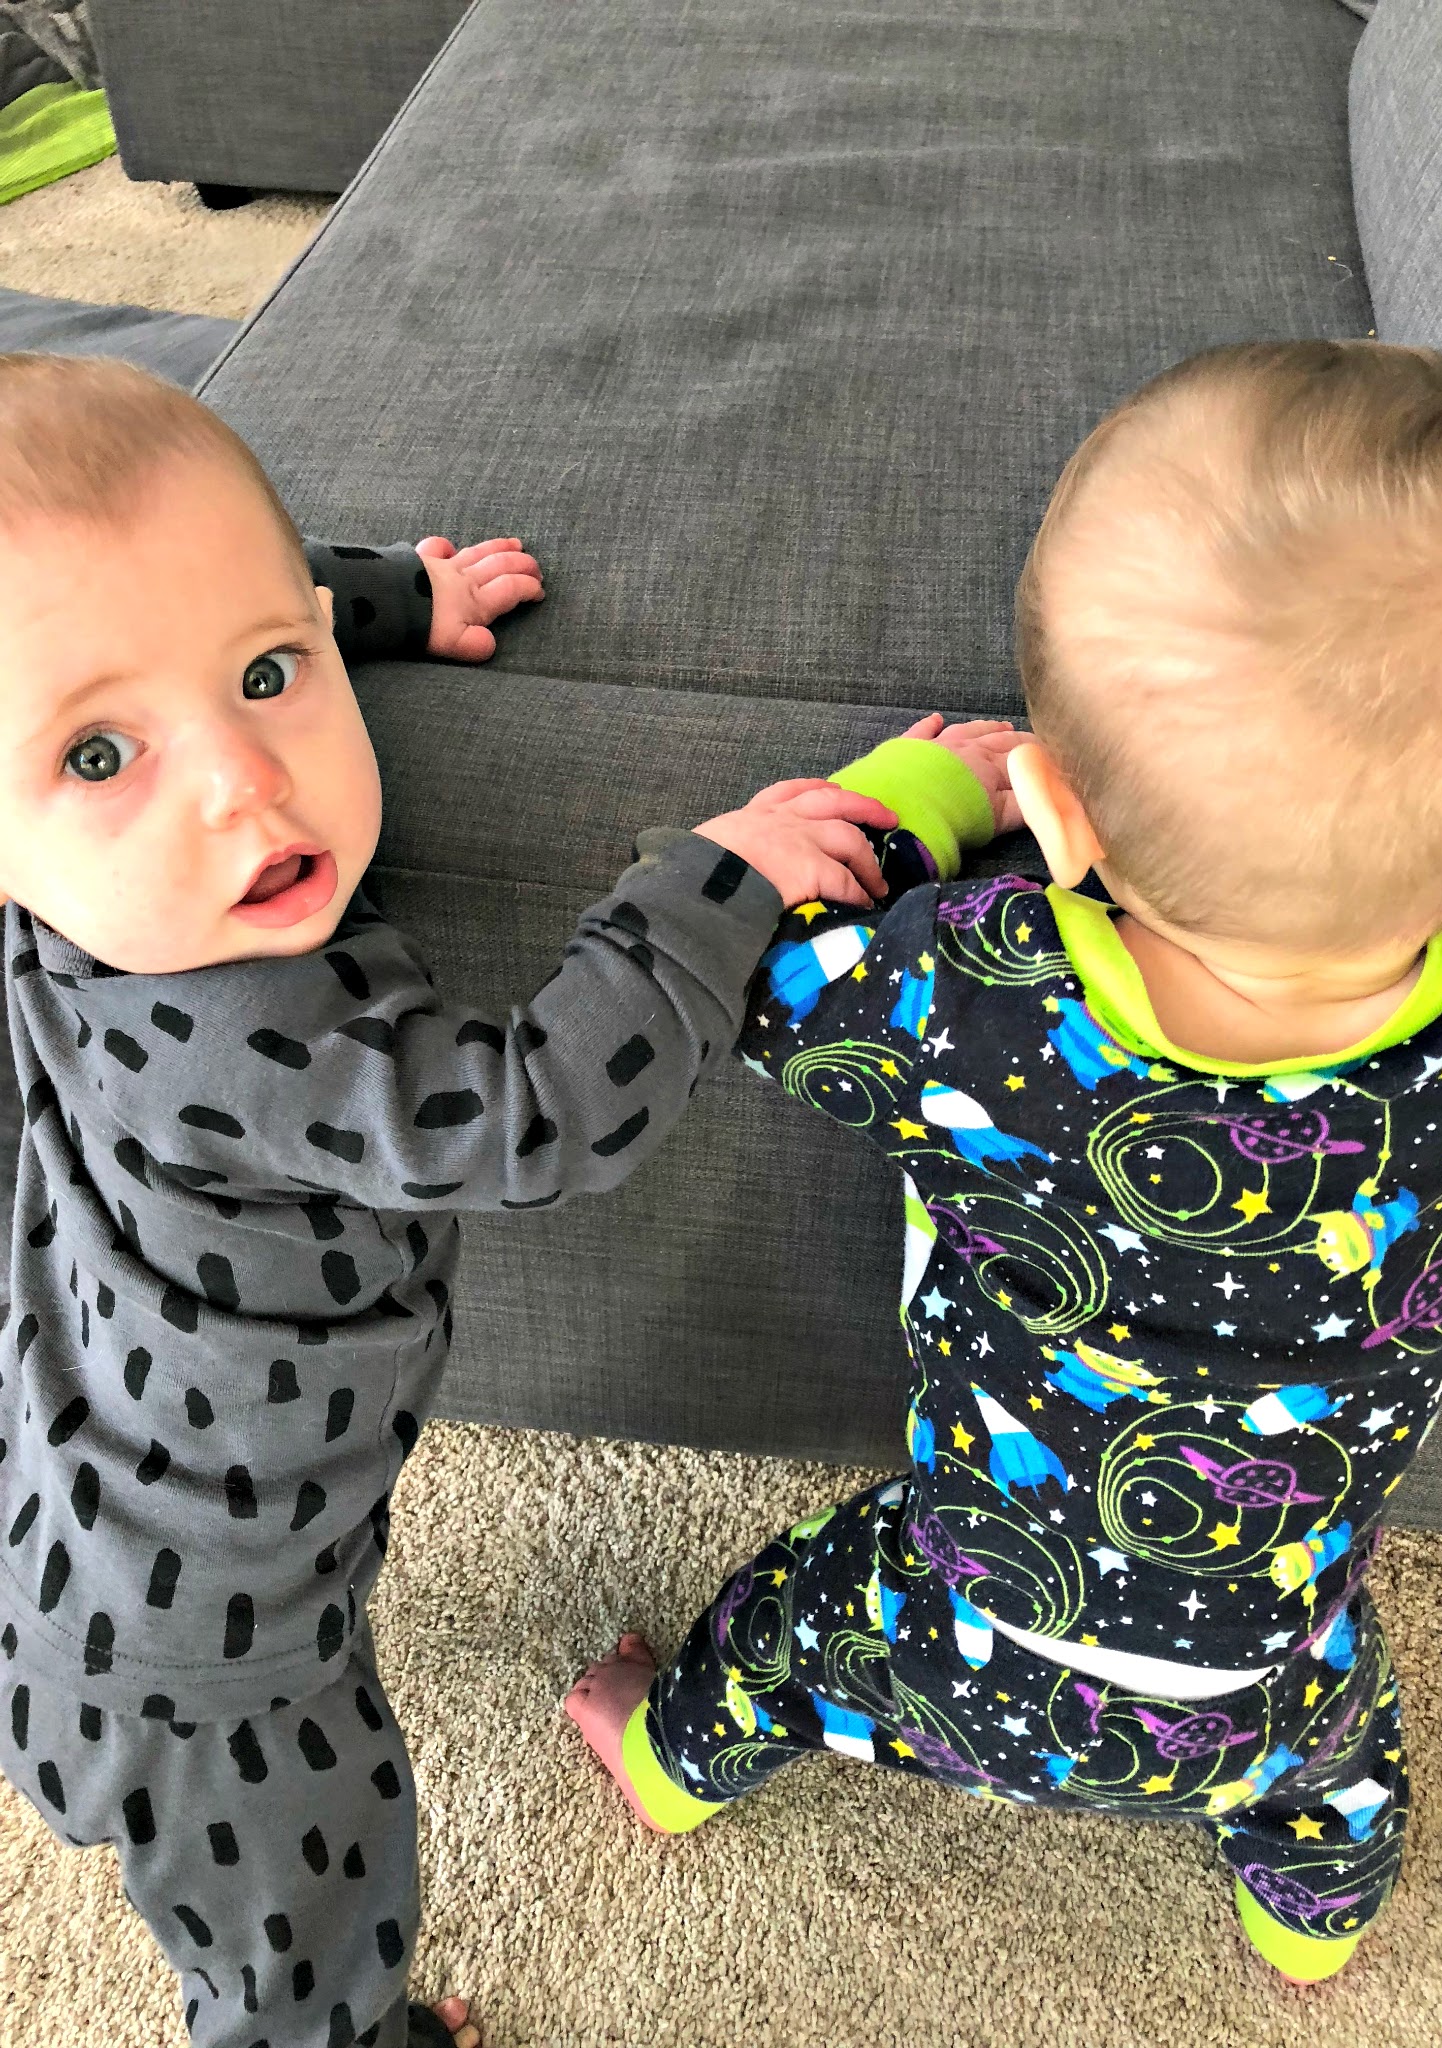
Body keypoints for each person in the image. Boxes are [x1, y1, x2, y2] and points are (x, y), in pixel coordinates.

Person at [566, 338, 1442, 1987]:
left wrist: (915, 794)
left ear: (1059, 821)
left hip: (959, 1620)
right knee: (1340, 1777)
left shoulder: (978, 993)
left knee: (787, 1624)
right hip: (1269, 1674)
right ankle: (1311, 1924)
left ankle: (664, 1757)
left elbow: (759, 970)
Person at [0, 351, 907, 2048]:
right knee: (311, 1922)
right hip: (217, 1651)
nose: (240, 784)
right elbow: (538, 1114)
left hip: (68, 1521)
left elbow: (180, 583)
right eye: (101, 754)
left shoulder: (79, 900)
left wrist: (377, 596)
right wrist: (714, 884)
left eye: (269, 673)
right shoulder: (258, 1037)